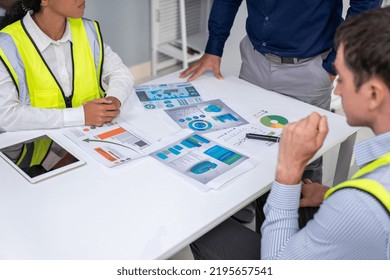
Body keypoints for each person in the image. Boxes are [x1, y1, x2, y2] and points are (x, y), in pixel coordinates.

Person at [190, 6, 390, 259]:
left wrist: (288, 174)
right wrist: (331, 195)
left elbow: (278, 266)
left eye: (343, 79)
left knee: (201, 230)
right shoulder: (362, 192)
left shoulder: (358, 201)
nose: (337, 92)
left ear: (374, 94)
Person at [0, 0, 133, 132]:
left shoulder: (87, 30)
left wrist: (113, 100)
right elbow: (6, 115)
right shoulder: (6, 46)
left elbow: (120, 72)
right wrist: (81, 116)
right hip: (38, 148)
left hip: (88, 137)